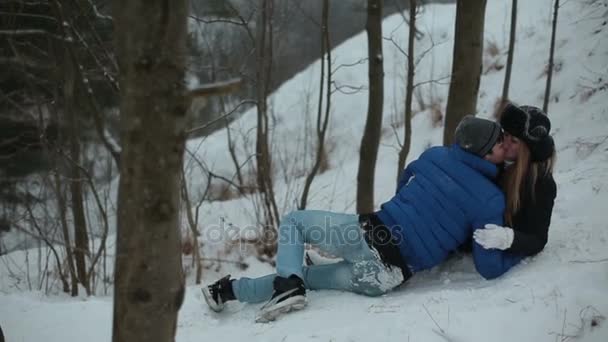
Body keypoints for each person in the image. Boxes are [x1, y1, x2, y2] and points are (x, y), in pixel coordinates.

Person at [203, 116, 513, 323]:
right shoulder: (490, 199)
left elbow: (405, 179)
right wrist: (520, 248)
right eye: (500, 143)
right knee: (304, 277)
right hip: (387, 277)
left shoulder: (435, 156)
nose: (506, 146)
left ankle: (239, 291)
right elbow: (488, 266)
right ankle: (236, 291)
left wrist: (405, 208)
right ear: (484, 153)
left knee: (294, 223)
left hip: (368, 235)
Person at [473, 104, 557, 257]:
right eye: (505, 135)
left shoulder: (541, 183)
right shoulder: (494, 158)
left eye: (514, 141)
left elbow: (538, 240)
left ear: (527, 148)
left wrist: (507, 238)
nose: (505, 144)